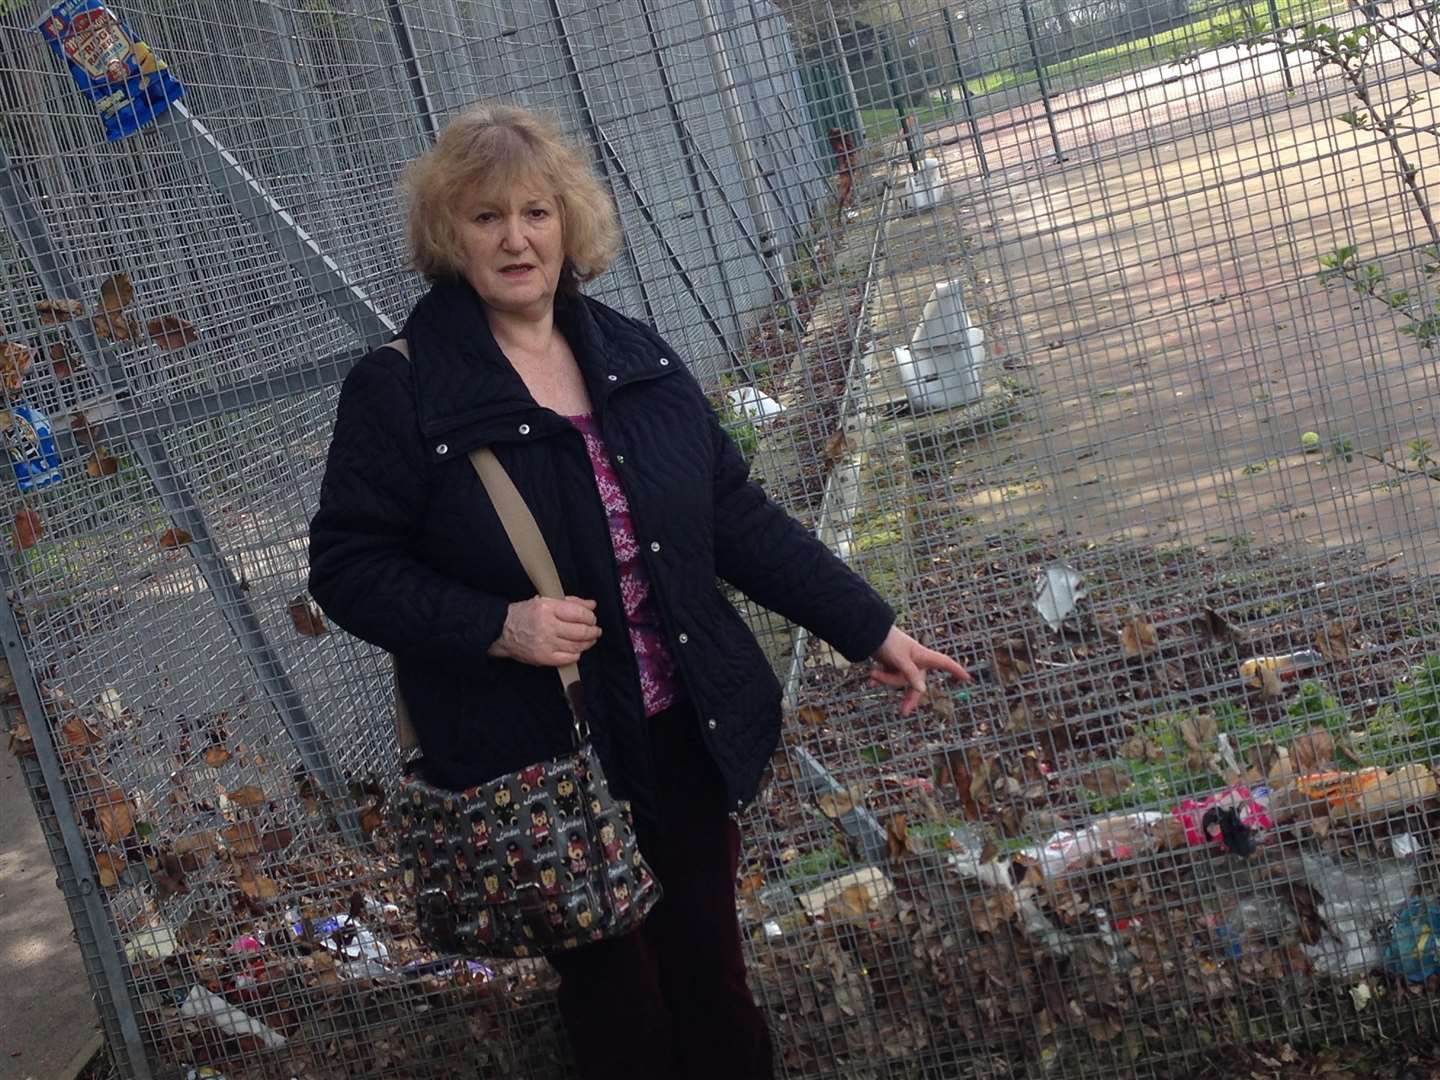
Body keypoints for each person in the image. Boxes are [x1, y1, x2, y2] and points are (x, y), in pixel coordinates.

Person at [308, 102, 968, 1080]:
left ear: (570, 223)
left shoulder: (634, 356)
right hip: (546, 756)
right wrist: (499, 625)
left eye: (536, 211)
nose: (516, 238)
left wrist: (868, 627)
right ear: (452, 236)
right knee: (621, 1007)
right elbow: (346, 568)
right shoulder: (402, 390)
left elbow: (733, 518)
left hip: (679, 729)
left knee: (714, 978)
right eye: (487, 218)